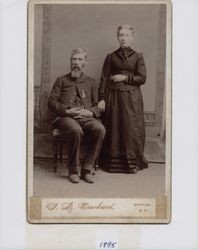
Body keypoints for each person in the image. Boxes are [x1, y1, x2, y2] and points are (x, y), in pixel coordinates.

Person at [48, 48, 105, 184]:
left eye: (80, 60)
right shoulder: (61, 80)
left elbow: (97, 105)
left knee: (100, 129)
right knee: (75, 130)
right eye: (74, 59)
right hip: (66, 118)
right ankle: (73, 170)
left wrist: (90, 112)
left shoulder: (92, 82)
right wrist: (67, 111)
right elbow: (51, 102)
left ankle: (87, 168)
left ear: (85, 62)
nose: (76, 63)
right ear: (70, 61)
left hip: (86, 117)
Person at [98, 24, 148, 173]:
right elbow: (104, 79)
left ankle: (132, 164)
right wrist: (101, 98)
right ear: (117, 37)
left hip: (132, 99)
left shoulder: (138, 56)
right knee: (114, 129)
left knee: (131, 130)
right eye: (121, 35)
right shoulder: (110, 57)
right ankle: (112, 164)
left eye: (127, 35)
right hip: (113, 97)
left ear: (132, 38)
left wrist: (124, 77)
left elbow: (143, 78)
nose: (124, 38)